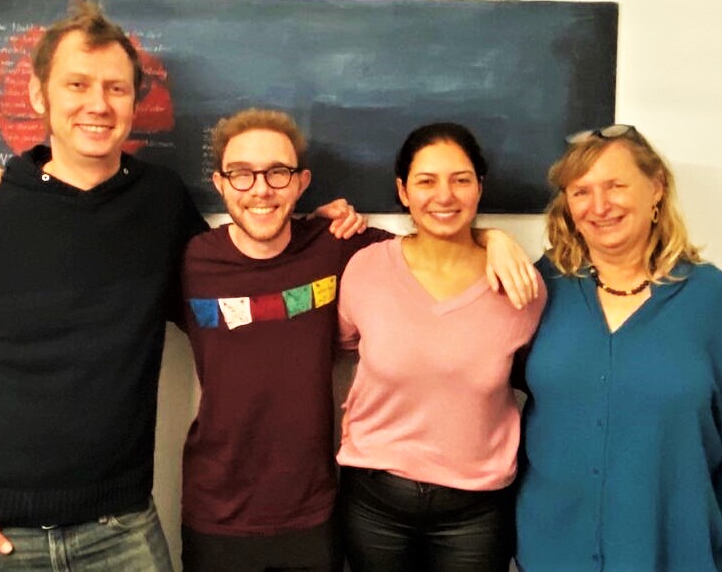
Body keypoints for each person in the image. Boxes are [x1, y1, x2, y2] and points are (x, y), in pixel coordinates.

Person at [0, 0, 211, 570]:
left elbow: (220, 298)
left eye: (116, 88)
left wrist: (315, 230)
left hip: (122, 532)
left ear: (135, 100)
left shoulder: (162, 204)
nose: (98, 104)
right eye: (77, 85)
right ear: (39, 95)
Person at [176, 109, 539, 571]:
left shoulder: (337, 245)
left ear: (302, 182)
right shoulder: (192, 260)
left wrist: (495, 238)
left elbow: (436, 237)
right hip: (216, 511)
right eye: (242, 174)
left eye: (278, 172)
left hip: (313, 510)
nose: (261, 189)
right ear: (220, 183)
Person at [514, 124, 722, 571]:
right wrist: (490, 239)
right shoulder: (541, 286)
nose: (599, 206)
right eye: (581, 192)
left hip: (676, 550)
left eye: (615, 186)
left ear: (656, 188)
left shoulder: (710, 297)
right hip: (554, 550)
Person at [334, 122, 546, 572]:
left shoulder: (519, 285)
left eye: (460, 180)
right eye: (426, 181)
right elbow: (347, 345)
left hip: (476, 513)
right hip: (375, 503)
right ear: (403, 191)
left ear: (479, 187)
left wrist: (494, 236)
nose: (444, 196)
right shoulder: (365, 269)